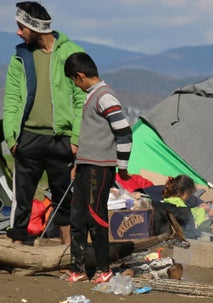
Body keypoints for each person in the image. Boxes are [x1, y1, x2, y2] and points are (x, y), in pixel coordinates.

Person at [3, 2, 85, 246]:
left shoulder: (72, 53)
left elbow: (82, 99)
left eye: (21, 27)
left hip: (61, 139)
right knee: (22, 198)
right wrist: (11, 138)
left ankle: (69, 253)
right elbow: (11, 100)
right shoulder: (20, 55)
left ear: (35, 27)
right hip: (27, 138)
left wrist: (76, 139)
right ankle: (17, 250)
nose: (18, 32)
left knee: (64, 198)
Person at [63, 52, 132, 283]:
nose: (75, 84)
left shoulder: (105, 97)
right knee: (78, 218)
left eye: (74, 80)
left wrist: (122, 167)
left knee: (96, 217)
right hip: (86, 165)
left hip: (100, 167)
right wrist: (78, 163)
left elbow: (124, 133)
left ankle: (104, 269)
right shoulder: (91, 96)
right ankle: (77, 269)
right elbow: (90, 135)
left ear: (80, 76)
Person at [157, 174, 213, 239]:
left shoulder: (164, 202)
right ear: (186, 192)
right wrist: (202, 210)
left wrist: (197, 209)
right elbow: (197, 225)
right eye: (189, 194)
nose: (188, 198)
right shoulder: (180, 206)